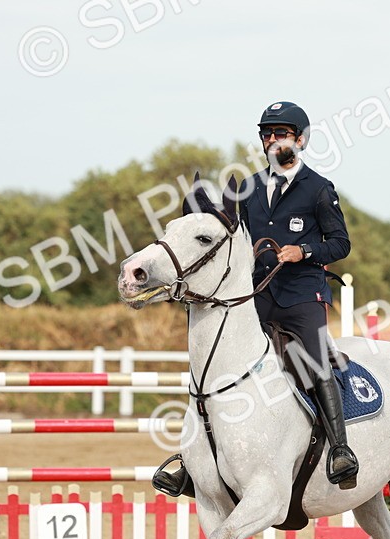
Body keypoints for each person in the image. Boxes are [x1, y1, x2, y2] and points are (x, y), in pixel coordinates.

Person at [153, 101, 358, 497]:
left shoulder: (318, 189)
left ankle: (340, 449)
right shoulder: (248, 188)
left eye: (281, 133)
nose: (272, 140)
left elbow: (341, 244)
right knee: (215, 363)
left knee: (314, 358)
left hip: (302, 294)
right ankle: (192, 464)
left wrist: (304, 251)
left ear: (300, 140)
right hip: (256, 293)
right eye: (267, 134)